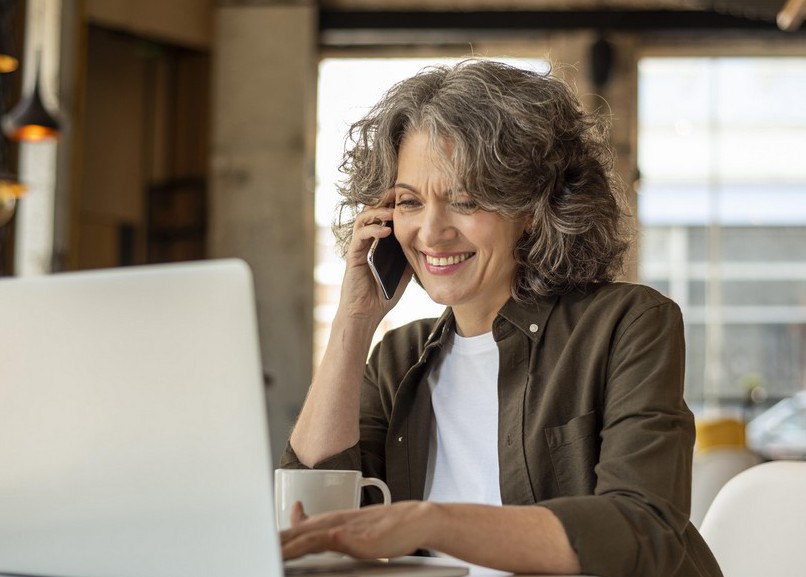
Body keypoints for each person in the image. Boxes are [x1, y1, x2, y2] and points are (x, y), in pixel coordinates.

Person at [279, 59, 722, 577]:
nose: (431, 231)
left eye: (465, 199)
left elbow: (643, 531)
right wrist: (354, 321)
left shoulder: (628, 323)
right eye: (409, 202)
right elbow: (311, 513)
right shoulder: (398, 358)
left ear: (533, 207)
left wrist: (432, 522)